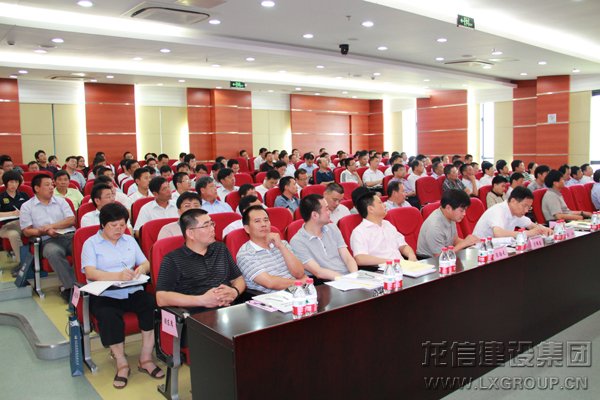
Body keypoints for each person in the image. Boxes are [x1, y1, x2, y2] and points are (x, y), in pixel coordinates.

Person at [81, 202, 163, 389]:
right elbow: (90, 272)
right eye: (114, 225)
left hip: (131, 289)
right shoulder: (91, 243)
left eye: (122, 224)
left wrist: (141, 269)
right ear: (103, 224)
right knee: (108, 315)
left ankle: (145, 358)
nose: (119, 229)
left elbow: (145, 263)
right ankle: (121, 363)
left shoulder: (129, 240)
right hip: (105, 293)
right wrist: (116, 276)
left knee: (151, 305)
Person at [156, 208, 246, 314]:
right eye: (206, 226)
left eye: (212, 224)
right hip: (197, 315)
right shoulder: (173, 259)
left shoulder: (220, 248)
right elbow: (161, 298)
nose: (212, 229)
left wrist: (234, 292)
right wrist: (202, 300)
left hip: (230, 310)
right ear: (190, 233)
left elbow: (238, 279)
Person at [20, 174, 76, 301]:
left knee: (83, 249)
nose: (51, 187)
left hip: (68, 236)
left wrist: (51, 226)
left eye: (52, 184)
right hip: (47, 240)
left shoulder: (61, 201)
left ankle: (78, 283)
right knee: (53, 252)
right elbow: (27, 231)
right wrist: (42, 231)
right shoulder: (27, 206)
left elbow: (71, 220)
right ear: (37, 188)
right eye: (47, 185)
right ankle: (71, 288)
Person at [237, 205, 306, 293]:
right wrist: (300, 283)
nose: (263, 224)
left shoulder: (282, 243)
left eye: (266, 220)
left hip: (296, 291)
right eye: (257, 221)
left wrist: (281, 246)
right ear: (247, 229)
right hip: (272, 297)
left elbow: (299, 273)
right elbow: (270, 283)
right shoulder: (245, 254)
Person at [290, 194, 358, 280]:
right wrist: (345, 280)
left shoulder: (333, 228)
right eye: (326, 209)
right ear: (315, 215)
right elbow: (318, 272)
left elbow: (348, 258)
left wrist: (355, 276)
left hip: (348, 278)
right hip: (328, 281)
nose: (329, 212)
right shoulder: (297, 242)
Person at [350, 190, 417, 266]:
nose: (384, 205)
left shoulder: (387, 224)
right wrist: (390, 262)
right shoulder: (359, 232)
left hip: (402, 266)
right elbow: (360, 258)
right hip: (383, 269)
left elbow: (403, 245)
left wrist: (411, 255)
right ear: (371, 209)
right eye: (380, 203)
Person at [417, 190, 479, 257]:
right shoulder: (434, 226)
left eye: (465, 210)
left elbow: (455, 240)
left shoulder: (450, 216)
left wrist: (471, 243)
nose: (464, 214)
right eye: (461, 210)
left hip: (447, 255)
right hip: (430, 260)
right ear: (448, 208)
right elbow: (440, 257)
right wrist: (464, 243)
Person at [474, 186, 552, 239]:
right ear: (513, 201)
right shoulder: (497, 210)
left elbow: (531, 225)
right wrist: (527, 233)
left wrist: (543, 229)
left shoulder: (516, 213)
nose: (526, 210)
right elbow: (498, 233)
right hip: (481, 251)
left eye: (529, 207)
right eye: (524, 206)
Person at [0, 170, 29, 263]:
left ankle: (35, 261)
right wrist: (11, 213)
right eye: (11, 182)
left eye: (16, 182)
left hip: (24, 224)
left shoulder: (24, 195)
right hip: (7, 227)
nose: (14, 185)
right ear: (6, 183)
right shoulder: (1, 197)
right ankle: (23, 263)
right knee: (13, 235)